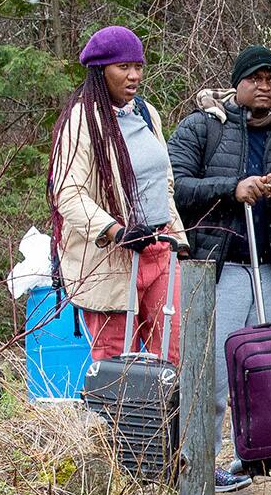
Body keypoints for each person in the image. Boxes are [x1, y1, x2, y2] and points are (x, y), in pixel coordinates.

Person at [168, 45, 271, 494]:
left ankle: (259, 456)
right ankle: (198, 466)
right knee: (213, 375)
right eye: (256, 78)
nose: (265, 87)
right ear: (237, 82)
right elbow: (175, 188)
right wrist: (231, 189)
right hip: (221, 270)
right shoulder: (203, 127)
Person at [49, 25, 188, 367]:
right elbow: (68, 192)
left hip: (159, 249)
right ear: (101, 70)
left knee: (170, 358)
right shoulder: (81, 120)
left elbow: (162, 181)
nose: (134, 75)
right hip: (111, 258)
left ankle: (166, 422)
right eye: (123, 67)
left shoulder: (146, 113)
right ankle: (116, 423)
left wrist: (177, 237)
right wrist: (116, 231)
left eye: (138, 66)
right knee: (115, 365)